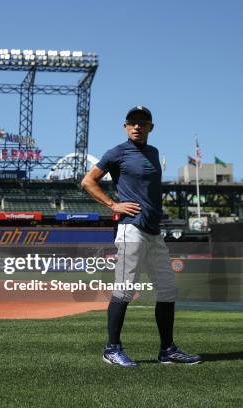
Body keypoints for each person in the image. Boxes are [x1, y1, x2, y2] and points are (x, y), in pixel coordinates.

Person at [81, 106, 201, 367]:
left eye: (142, 123)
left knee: (168, 289)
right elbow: (88, 181)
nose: (137, 126)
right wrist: (113, 205)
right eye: (132, 122)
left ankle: (167, 350)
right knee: (124, 289)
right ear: (125, 126)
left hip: (153, 230)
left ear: (150, 127)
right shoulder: (117, 152)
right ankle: (111, 349)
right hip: (130, 228)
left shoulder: (154, 152)